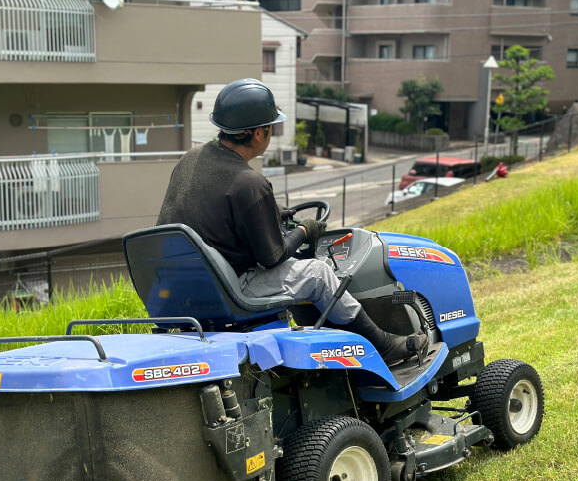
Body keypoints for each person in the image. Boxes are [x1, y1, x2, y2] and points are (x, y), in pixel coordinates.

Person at [157, 78, 427, 364]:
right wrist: (303, 230)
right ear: (260, 132)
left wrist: (270, 211)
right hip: (230, 290)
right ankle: (384, 346)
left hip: (179, 289)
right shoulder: (249, 183)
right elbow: (272, 258)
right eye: (272, 126)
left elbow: (215, 215)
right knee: (319, 273)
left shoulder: (191, 160)